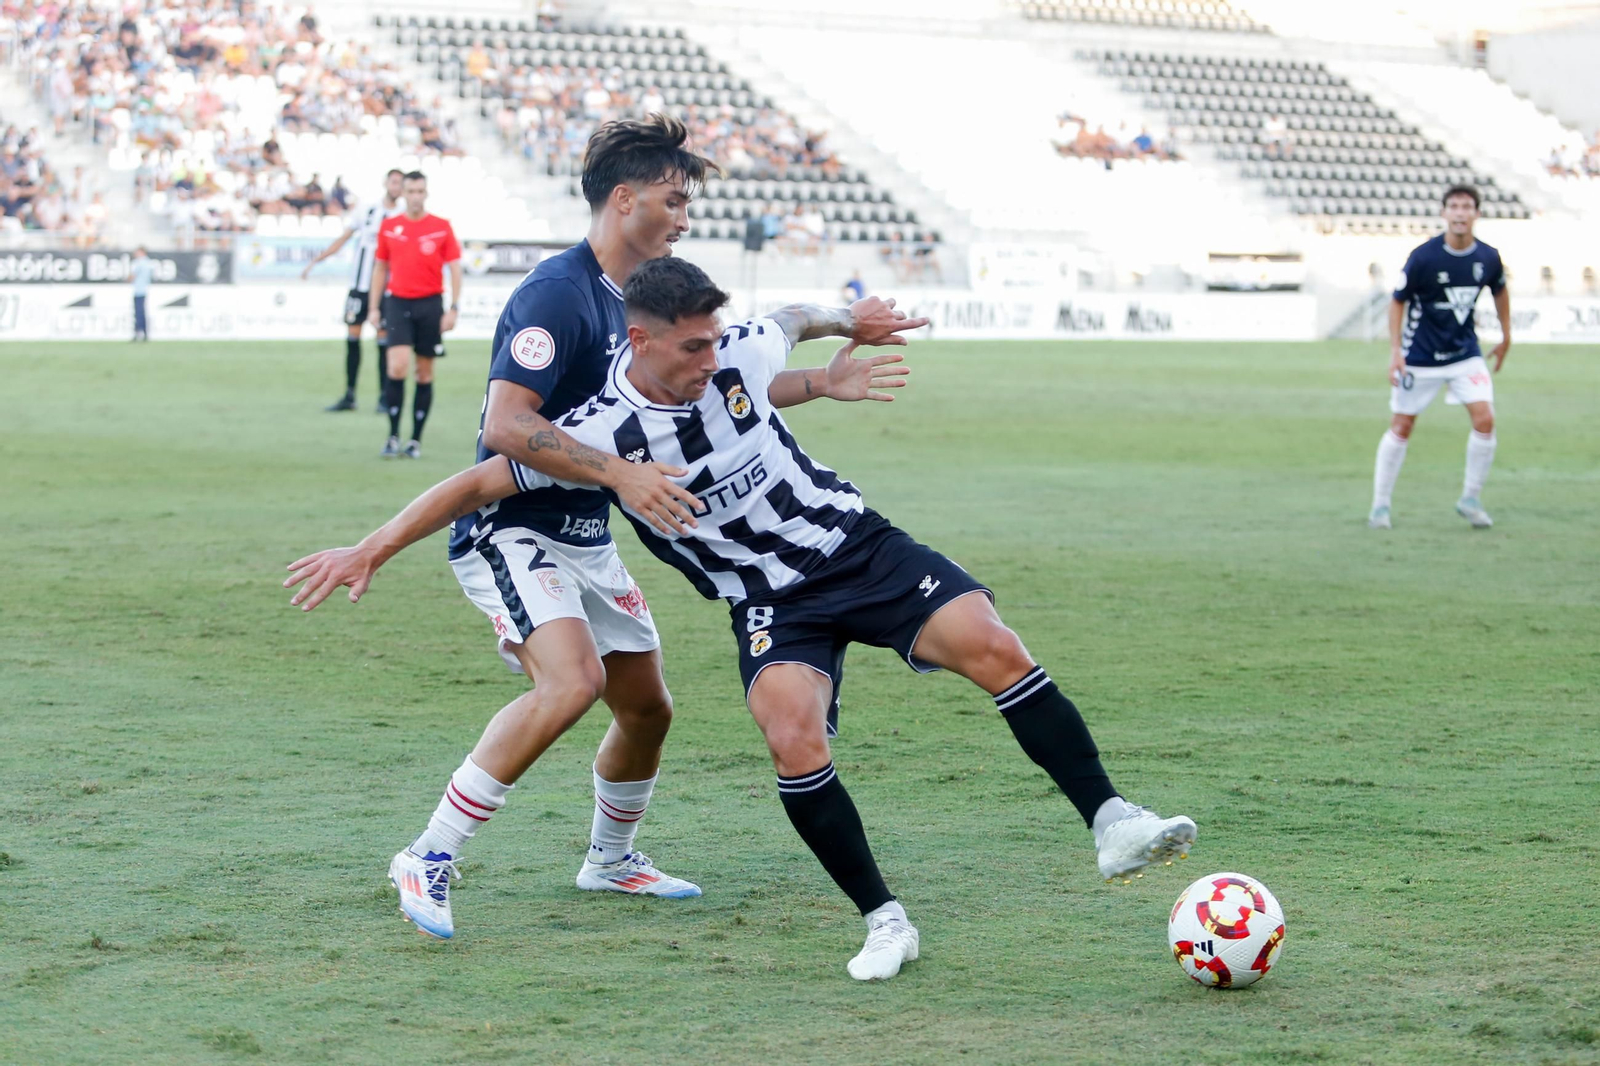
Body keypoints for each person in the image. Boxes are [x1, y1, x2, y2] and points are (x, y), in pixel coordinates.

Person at [284, 257, 1194, 980]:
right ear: (639, 341)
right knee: (792, 738)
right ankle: (886, 921)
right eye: (691, 348)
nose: (712, 358)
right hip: (768, 602)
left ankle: (1112, 821)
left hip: (857, 546)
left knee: (994, 644)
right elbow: (480, 479)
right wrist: (370, 549)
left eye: (717, 341)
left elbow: (788, 321)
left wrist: (847, 329)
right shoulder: (598, 435)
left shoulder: (735, 349)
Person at [1370, 184, 1511, 531]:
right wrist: (1395, 352)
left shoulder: (1488, 257)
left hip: (1465, 355)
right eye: (1454, 206)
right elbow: (1398, 300)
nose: (1460, 213)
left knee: (1485, 419)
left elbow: (1500, 291)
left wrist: (1507, 336)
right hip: (1419, 357)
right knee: (1402, 426)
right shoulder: (1423, 257)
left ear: (1476, 213)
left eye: (1466, 207)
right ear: (1444, 213)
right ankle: (1380, 506)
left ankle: (1470, 498)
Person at [367, 170, 461, 459]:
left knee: (424, 372)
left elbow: (455, 267)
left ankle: (415, 440)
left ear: (426, 193)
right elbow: (380, 267)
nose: (416, 196)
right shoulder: (389, 227)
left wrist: (454, 307)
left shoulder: (441, 227)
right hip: (397, 303)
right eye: (411, 191)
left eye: (420, 191)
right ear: (403, 193)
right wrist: (373, 307)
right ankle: (393, 435)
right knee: (397, 366)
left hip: (430, 304)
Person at [303, 167, 403, 413]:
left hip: (386, 290)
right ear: (385, 183)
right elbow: (344, 237)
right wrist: (317, 260)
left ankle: (383, 396)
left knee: (383, 341)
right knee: (353, 337)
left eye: (400, 183)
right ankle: (350, 395)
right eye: (393, 181)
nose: (396, 186)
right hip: (359, 287)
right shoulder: (367, 210)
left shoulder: (402, 216)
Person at [130, 246, 153, 342]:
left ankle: (138, 333)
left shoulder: (139, 263)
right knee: (142, 313)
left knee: (138, 313)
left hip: (138, 290)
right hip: (144, 290)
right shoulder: (149, 263)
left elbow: (132, 276)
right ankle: (145, 333)